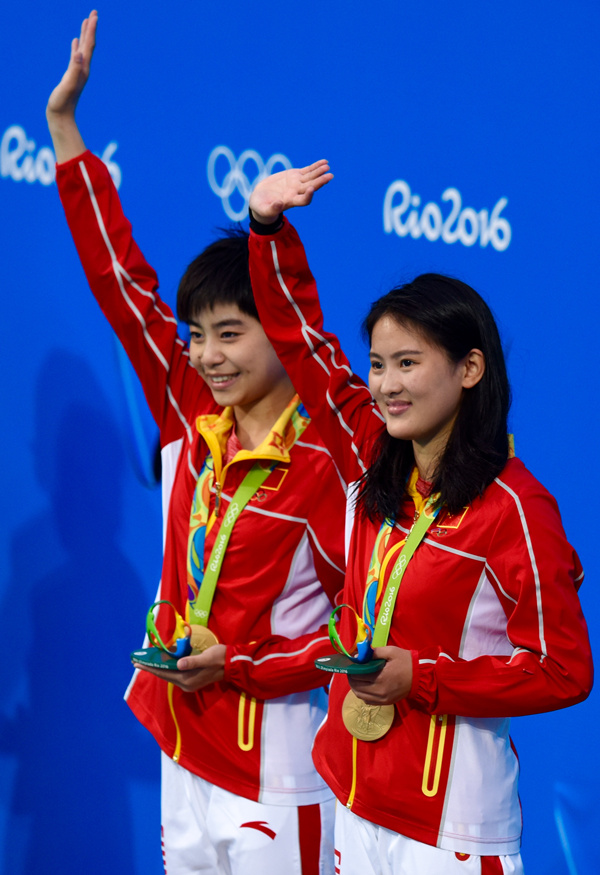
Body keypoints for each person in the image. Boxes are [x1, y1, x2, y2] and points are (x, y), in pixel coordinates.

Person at [46, 12, 346, 875]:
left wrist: (241, 663)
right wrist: (65, 129)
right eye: (197, 335)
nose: (208, 356)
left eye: (231, 335)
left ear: (282, 333)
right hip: (181, 745)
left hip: (279, 769)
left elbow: (354, 632)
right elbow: (119, 280)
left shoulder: (333, 458)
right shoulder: (186, 409)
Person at [245, 163, 594, 874]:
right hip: (352, 791)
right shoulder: (371, 450)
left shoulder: (516, 508)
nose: (386, 385)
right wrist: (267, 227)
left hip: (452, 826)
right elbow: (302, 342)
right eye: (378, 364)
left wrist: (427, 678)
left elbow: (564, 669)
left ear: (470, 369)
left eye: (408, 362)